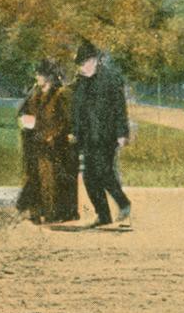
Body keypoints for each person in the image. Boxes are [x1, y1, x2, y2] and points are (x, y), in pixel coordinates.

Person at [70, 39, 132, 227]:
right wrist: (74, 132)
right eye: (81, 64)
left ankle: (123, 203)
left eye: (86, 62)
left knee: (104, 172)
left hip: (107, 135)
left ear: (96, 60)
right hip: (88, 137)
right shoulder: (80, 83)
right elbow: (76, 110)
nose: (84, 67)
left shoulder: (110, 78)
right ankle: (103, 214)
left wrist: (122, 133)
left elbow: (120, 107)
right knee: (89, 177)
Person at [16, 59, 79, 223]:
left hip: (54, 144)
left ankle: (54, 214)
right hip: (34, 141)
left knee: (51, 179)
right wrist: (25, 121)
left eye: (40, 74)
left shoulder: (61, 94)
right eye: (37, 74)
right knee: (34, 177)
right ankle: (36, 212)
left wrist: (55, 136)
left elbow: (67, 120)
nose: (37, 77)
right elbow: (22, 112)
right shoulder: (34, 93)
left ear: (49, 77)